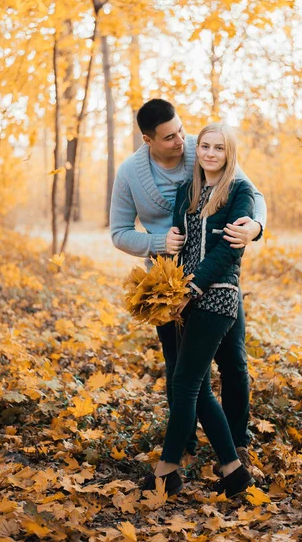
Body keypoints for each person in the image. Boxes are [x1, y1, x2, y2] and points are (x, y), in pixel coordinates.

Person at [110, 99, 266, 467]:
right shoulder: (130, 173)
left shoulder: (204, 146)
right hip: (168, 284)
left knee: (233, 362)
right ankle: (184, 446)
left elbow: (249, 193)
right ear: (148, 140)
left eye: (181, 130)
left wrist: (256, 227)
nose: (182, 141)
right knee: (179, 366)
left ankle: (236, 446)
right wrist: (156, 243)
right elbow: (118, 233)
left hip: (217, 280)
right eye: (169, 137)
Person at [143, 122, 256, 498]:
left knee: (186, 383)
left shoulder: (239, 191)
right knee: (199, 386)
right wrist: (172, 275)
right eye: (205, 146)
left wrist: (195, 286)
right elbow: (180, 245)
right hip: (184, 298)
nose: (210, 153)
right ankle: (234, 470)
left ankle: (166, 470)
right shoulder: (185, 191)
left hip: (218, 296)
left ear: (229, 154)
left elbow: (229, 250)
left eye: (219, 148)